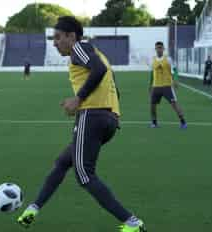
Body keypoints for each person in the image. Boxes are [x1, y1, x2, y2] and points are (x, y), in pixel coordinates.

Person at [16, 16, 147, 232]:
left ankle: (132, 222)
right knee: (62, 162)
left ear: (71, 36)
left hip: (93, 117)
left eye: (58, 37)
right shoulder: (97, 53)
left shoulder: (80, 49)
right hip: (107, 119)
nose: (55, 42)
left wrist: (79, 99)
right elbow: (111, 81)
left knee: (84, 174)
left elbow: (99, 70)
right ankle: (33, 208)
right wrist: (112, 115)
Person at [149, 41, 187, 129]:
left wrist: (175, 80)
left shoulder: (168, 59)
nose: (159, 50)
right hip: (156, 86)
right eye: (157, 48)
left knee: (174, 104)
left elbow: (175, 70)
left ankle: (183, 122)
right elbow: (152, 73)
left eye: (160, 48)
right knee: (152, 105)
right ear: (155, 49)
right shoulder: (153, 59)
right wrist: (150, 85)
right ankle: (154, 123)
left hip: (167, 86)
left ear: (163, 49)